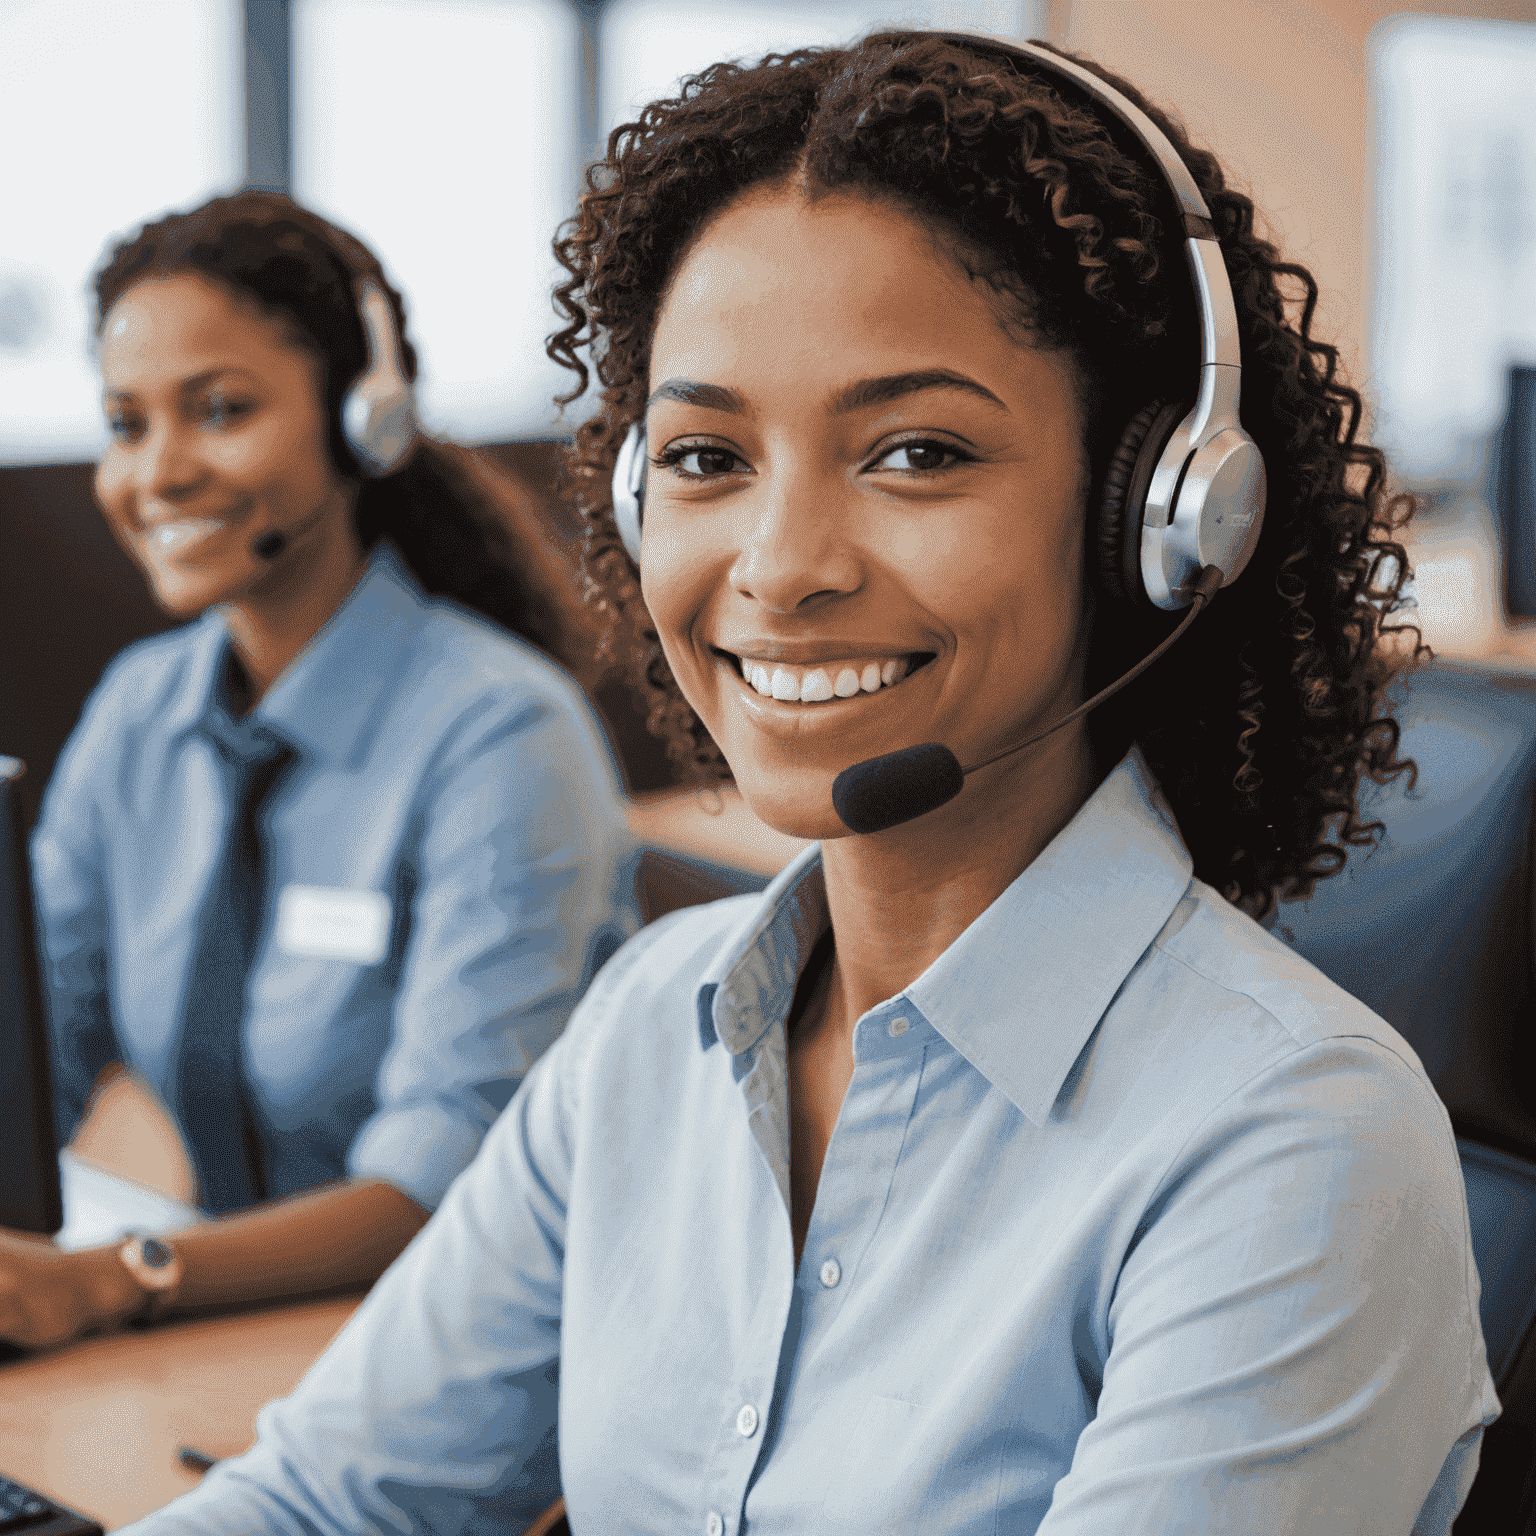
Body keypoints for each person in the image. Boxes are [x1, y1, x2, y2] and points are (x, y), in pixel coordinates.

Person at [123, 34, 1495, 1534]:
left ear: (1159, 517)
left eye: (915, 451)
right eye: (708, 457)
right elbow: (326, 1501)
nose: (780, 566)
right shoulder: (654, 1028)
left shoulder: (1290, 1146)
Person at [0, 192, 638, 1348]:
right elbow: (30, 1048)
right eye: (126, 423)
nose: (160, 471)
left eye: (223, 410)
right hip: (229, 1339)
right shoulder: (146, 709)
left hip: (474, 1349)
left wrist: (114, 1282)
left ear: (364, 419)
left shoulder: (501, 736)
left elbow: (438, 1183)